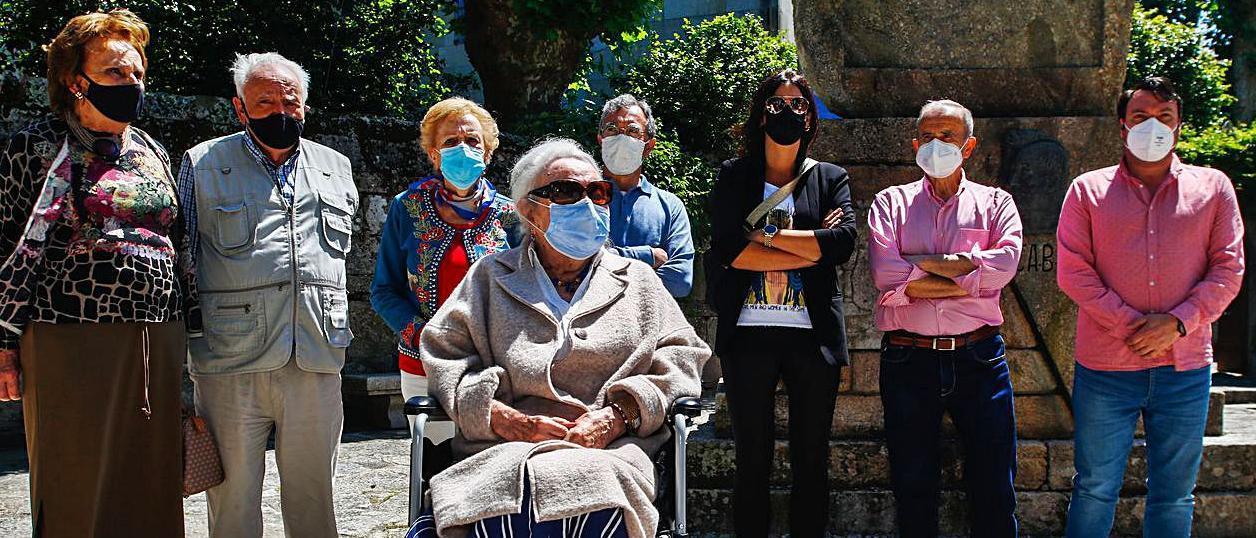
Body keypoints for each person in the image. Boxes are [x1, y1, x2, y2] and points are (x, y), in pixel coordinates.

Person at [406, 138, 709, 537]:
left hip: (607, 451)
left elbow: (683, 357)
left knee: (591, 495)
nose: (585, 203)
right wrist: (499, 417)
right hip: (502, 450)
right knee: (490, 503)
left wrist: (620, 415)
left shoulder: (638, 281)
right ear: (526, 210)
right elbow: (445, 351)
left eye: (596, 192)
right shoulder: (489, 277)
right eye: (566, 191)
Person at [0, 9, 186, 535]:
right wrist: (3, 345)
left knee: (150, 478)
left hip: (156, 334)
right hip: (69, 335)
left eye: (136, 74)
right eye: (114, 73)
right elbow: (7, 245)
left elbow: (177, 239)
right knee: (76, 477)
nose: (130, 84)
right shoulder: (33, 147)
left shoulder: (150, 149)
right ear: (73, 80)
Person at [177, 52, 359, 538]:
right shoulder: (203, 163)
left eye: (289, 100)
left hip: (316, 355)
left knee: (314, 499)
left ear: (304, 106)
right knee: (233, 502)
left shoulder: (336, 167)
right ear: (240, 108)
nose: (280, 110)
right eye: (264, 101)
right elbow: (183, 261)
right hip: (229, 359)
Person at [1058, 76, 1244, 537]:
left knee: (1175, 492)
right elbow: (1073, 271)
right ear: (1123, 127)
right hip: (1106, 368)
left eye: (1164, 118)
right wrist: (1132, 325)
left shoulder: (1214, 188)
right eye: (1140, 117)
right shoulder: (1087, 190)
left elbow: (1228, 269)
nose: (1152, 127)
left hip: (1184, 370)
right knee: (1095, 486)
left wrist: (1178, 324)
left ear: (1179, 127)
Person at [704, 69, 857, 537]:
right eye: (776, 103)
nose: (787, 112)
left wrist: (765, 237)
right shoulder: (735, 176)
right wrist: (809, 242)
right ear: (760, 114)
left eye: (798, 105)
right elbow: (729, 250)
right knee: (753, 456)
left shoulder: (829, 178)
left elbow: (843, 243)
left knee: (812, 456)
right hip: (748, 336)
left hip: (813, 340)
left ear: (810, 118)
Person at [867, 100, 1024, 537]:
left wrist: (916, 269)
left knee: (995, 486)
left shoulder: (996, 204)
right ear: (915, 144)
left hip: (980, 358)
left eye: (948, 136)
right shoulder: (890, 203)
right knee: (913, 485)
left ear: (968, 146)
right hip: (907, 358)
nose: (938, 145)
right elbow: (885, 274)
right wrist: (972, 274)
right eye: (929, 137)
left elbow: (1005, 266)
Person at [371, 97, 516, 442]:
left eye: (472, 141)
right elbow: (383, 291)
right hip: (424, 369)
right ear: (434, 154)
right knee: (433, 468)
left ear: (488, 153)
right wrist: (423, 336)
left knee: (491, 470)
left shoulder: (511, 216)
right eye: (451, 142)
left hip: (495, 370)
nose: (462, 149)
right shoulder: (406, 208)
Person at [597, 94, 695, 297]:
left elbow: (680, 281)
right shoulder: (580, 197)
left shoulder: (670, 206)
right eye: (612, 129)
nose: (621, 137)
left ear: (648, 146)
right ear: (601, 139)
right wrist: (649, 255)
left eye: (633, 131)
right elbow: (568, 266)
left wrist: (605, 264)